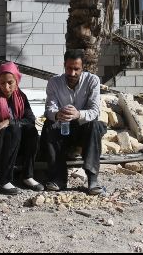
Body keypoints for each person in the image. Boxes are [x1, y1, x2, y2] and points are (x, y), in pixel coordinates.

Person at [42, 49, 106, 195]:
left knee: (95, 125)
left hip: (83, 129)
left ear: (83, 67)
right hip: (62, 128)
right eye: (69, 68)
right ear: (64, 66)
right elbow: (49, 109)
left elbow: (95, 111)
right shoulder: (54, 82)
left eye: (76, 69)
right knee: (49, 125)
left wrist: (78, 114)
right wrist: (58, 114)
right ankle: (58, 178)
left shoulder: (92, 80)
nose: (72, 73)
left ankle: (92, 179)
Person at [0, 62, 44, 195]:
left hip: (14, 141)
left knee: (31, 131)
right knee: (14, 130)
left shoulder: (21, 97)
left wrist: (9, 122)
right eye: (2, 83)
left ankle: (27, 176)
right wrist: (6, 127)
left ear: (17, 81)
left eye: (10, 82)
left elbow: (30, 120)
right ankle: (3, 181)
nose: (6, 87)